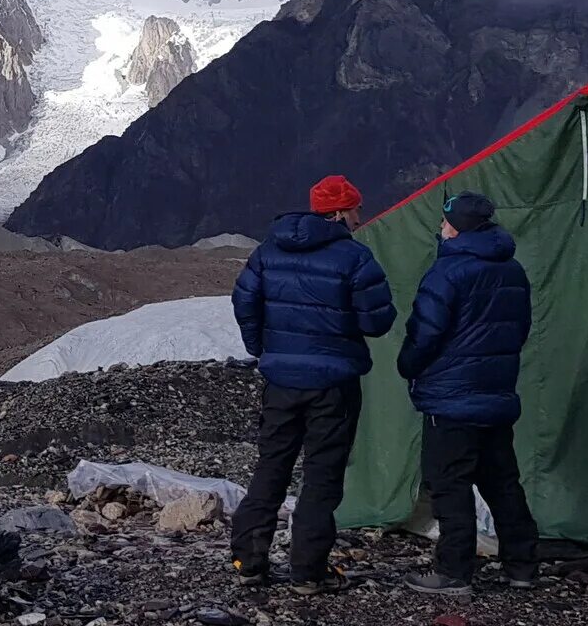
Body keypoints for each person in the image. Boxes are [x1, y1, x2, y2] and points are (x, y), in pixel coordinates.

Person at [229, 173, 395, 592]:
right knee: (322, 474)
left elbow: (244, 299)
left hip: (280, 380)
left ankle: (248, 561)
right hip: (334, 383)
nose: (360, 216)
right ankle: (307, 571)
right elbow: (377, 321)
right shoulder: (354, 258)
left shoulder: (268, 252)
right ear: (340, 212)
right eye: (357, 208)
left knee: (272, 466)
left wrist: (261, 347)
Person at [397, 190, 538, 594]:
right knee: (502, 481)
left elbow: (424, 333)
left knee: (449, 482)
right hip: (495, 394)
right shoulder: (512, 269)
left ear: (456, 227)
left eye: (445, 222)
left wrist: (408, 366)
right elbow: (519, 329)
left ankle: (453, 570)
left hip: (451, 397)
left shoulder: (447, 272)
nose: (441, 228)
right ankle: (522, 564)